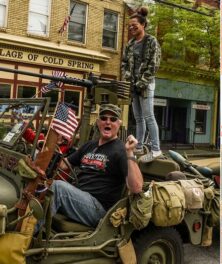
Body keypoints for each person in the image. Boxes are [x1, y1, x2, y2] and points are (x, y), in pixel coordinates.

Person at [52, 104, 143, 227]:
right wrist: (50, 150)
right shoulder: (89, 145)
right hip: (79, 198)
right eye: (104, 118)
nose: (108, 122)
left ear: (119, 124)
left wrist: (130, 152)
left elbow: (136, 188)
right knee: (44, 186)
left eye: (113, 119)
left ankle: (24, 237)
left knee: (58, 188)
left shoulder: (121, 150)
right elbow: (63, 165)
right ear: (98, 122)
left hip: (98, 209)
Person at [121, 7, 162, 161]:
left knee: (149, 116)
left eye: (134, 25)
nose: (131, 28)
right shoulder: (130, 44)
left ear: (143, 25)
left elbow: (154, 64)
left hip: (146, 84)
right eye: (129, 26)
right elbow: (124, 63)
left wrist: (141, 82)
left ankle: (156, 149)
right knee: (138, 119)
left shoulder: (151, 41)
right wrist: (128, 78)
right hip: (133, 85)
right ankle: (138, 147)